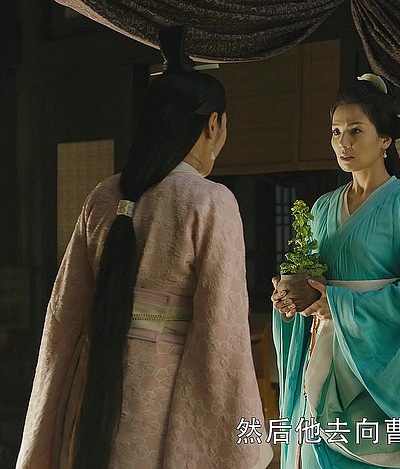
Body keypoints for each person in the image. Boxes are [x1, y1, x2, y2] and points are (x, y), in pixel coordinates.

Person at [16, 27, 272, 469]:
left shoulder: (104, 194)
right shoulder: (209, 201)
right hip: (160, 384)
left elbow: (65, 309)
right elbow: (221, 329)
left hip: (93, 379)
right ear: (213, 125)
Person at [271, 74, 400, 468]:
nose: (343, 142)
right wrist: (289, 303)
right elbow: (309, 285)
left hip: (377, 365)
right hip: (324, 353)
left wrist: (338, 304)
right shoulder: (322, 208)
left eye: (356, 130)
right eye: (336, 131)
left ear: (385, 138)